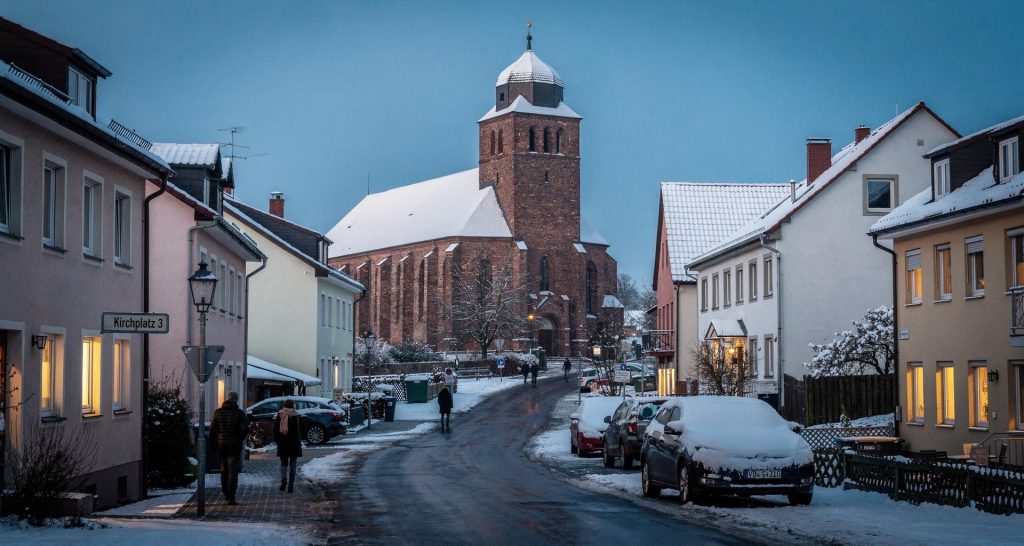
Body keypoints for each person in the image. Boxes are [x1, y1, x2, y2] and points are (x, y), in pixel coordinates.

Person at [209, 391, 246, 505]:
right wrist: (239, 439)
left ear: (227, 399)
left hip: (221, 445)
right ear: (236, 400)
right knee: (232, 471)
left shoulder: (217, 412)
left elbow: (212, 430)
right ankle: (231, 496)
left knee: (224, 470)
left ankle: (225, 493)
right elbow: (244, 430)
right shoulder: (240, 413)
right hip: (234, 446)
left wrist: (213, 444)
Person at [273, 399, 302, 493]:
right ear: (293, 405)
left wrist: (277, 440)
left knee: (283, 463)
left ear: (284, 405)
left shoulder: (280, 414)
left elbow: (275, 429)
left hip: (283, 442)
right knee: (293, 465)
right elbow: (300, 430)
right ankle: (291, 486)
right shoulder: (296, 415)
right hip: (294, 443)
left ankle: (284, 478)